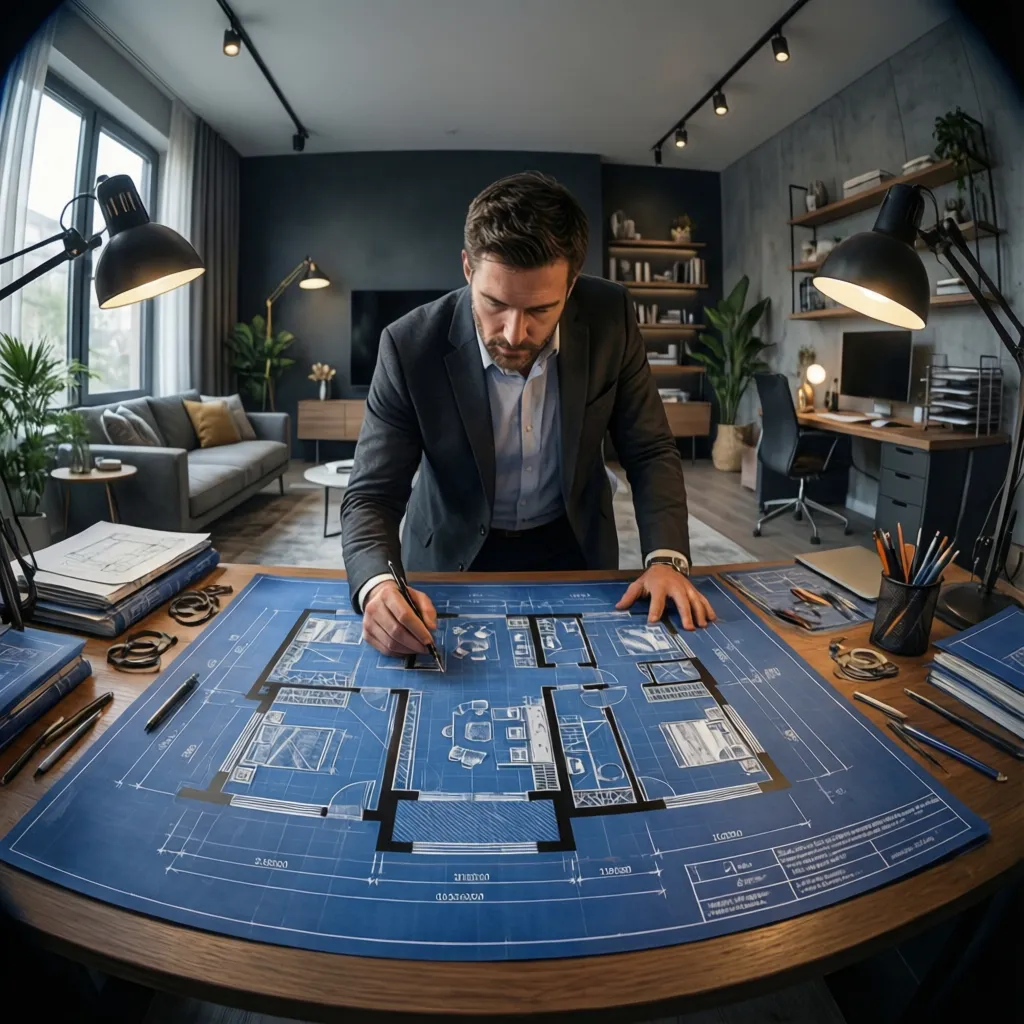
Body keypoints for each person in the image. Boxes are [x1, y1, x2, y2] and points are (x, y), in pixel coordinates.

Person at [341, 171, 716, 658]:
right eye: (495, 304)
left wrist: (666, 559)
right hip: (451, 553)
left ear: (572, 283)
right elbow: (371, 494)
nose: (515, 334)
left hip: (573, 542)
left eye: (541, 309)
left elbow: (649, 450)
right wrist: (376, 587)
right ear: (467, 269)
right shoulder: (409, 345)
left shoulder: (610, 316)